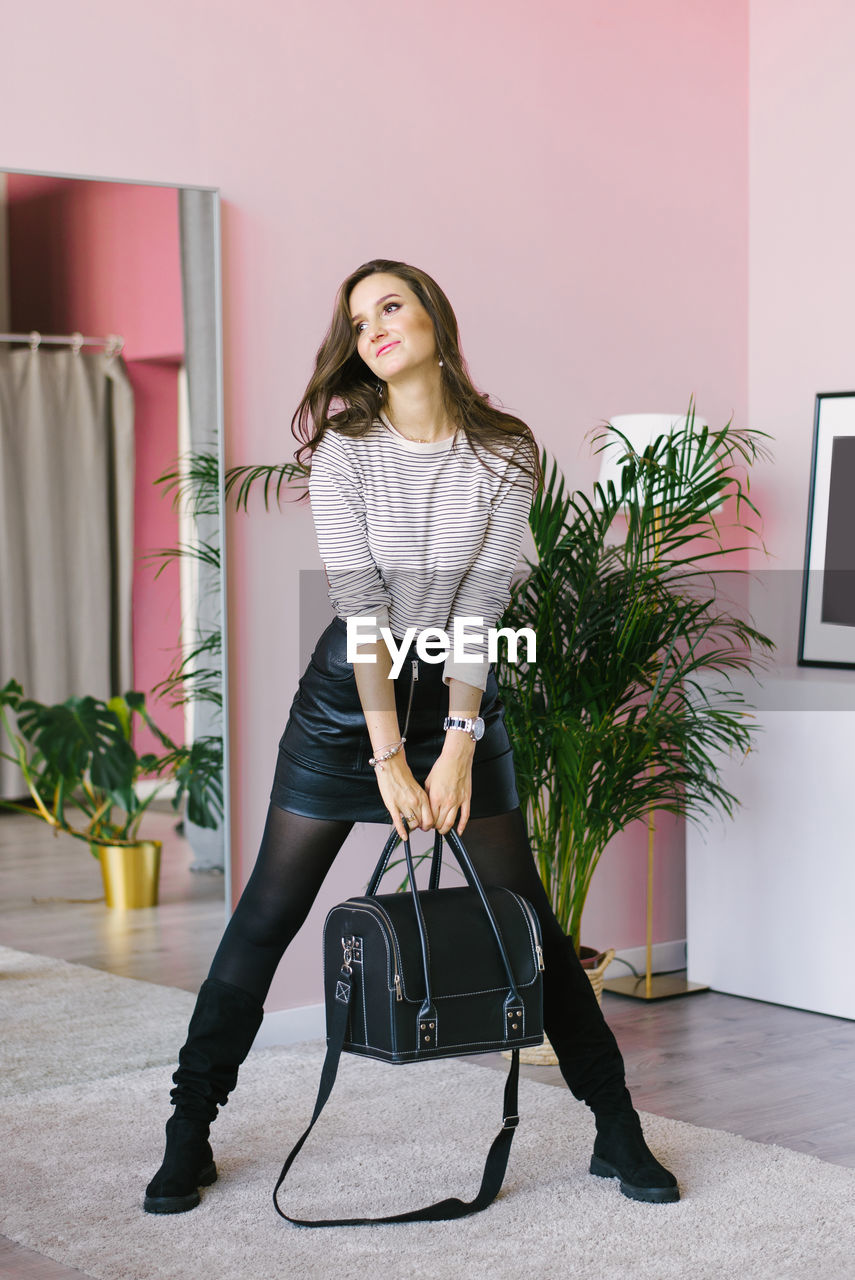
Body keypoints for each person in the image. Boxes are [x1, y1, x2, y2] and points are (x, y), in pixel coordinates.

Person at [143, 259, 679, 1215]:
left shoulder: (506, 449)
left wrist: (461, 741)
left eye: (390, 305)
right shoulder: (347, 448)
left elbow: (482, 600)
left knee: (532, 925)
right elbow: (360, 610)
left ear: (433, 314)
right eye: (358, 320)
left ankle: (617, 1131)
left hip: (462, 698)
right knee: (266, 916)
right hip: (350, 704)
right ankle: (188, 1134)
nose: (374, 327)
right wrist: (391, 756)